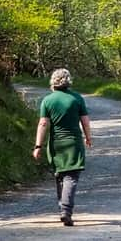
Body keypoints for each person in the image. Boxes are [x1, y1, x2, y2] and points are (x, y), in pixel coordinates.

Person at [33, 68, 92, 227]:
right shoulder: (77, 98)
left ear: (53, 82)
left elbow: (43, 124)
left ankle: (62, 208)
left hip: (56, 143)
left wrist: (38, 145)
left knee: (60, 175)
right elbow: (85, 121)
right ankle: (66, 211)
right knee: (71, 176)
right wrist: (88, 137)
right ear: (68, 81)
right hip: (73, 142)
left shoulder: (48, 100)